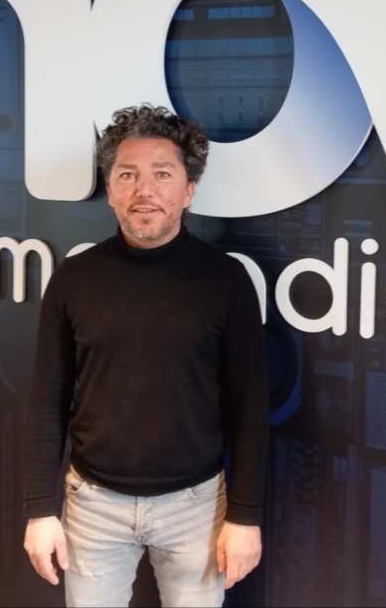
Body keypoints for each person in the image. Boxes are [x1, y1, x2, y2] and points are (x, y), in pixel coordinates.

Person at [22, 103, 270, 608]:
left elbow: (250, 407)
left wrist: (245, 515)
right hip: (92, 505)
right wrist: (38, 509)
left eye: (162, 174)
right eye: (127, 174)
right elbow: (47, 399)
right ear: (110, 189)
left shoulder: (226, 280)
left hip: (197, 507)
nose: (144, 190)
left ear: (189, 190)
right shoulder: (74, 278)